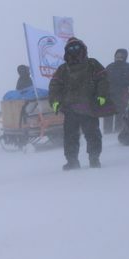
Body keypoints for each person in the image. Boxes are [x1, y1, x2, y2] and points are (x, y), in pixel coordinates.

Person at [49, 37, 110, 170]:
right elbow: (55, 85)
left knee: (92, 134)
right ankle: (72, 161)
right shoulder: (63, 69)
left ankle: (94, 158)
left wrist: (102, 95)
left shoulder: (92, 64)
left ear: (83, 49)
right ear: (66, 51)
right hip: (70, 109)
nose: (74, 50)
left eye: (77, 47)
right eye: (71, 48)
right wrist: (55, 101)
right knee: (70, 136)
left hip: (89, 107)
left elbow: (103, 79)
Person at [104, 49, 129, 134]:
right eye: (117, 56)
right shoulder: (110, 67)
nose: (118, 58)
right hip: (109, 95)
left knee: (120, 115)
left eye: (121, 56)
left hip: (122, 95)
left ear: (125, 57)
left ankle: (118, 133)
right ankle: (107, 133)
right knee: (108, 115)